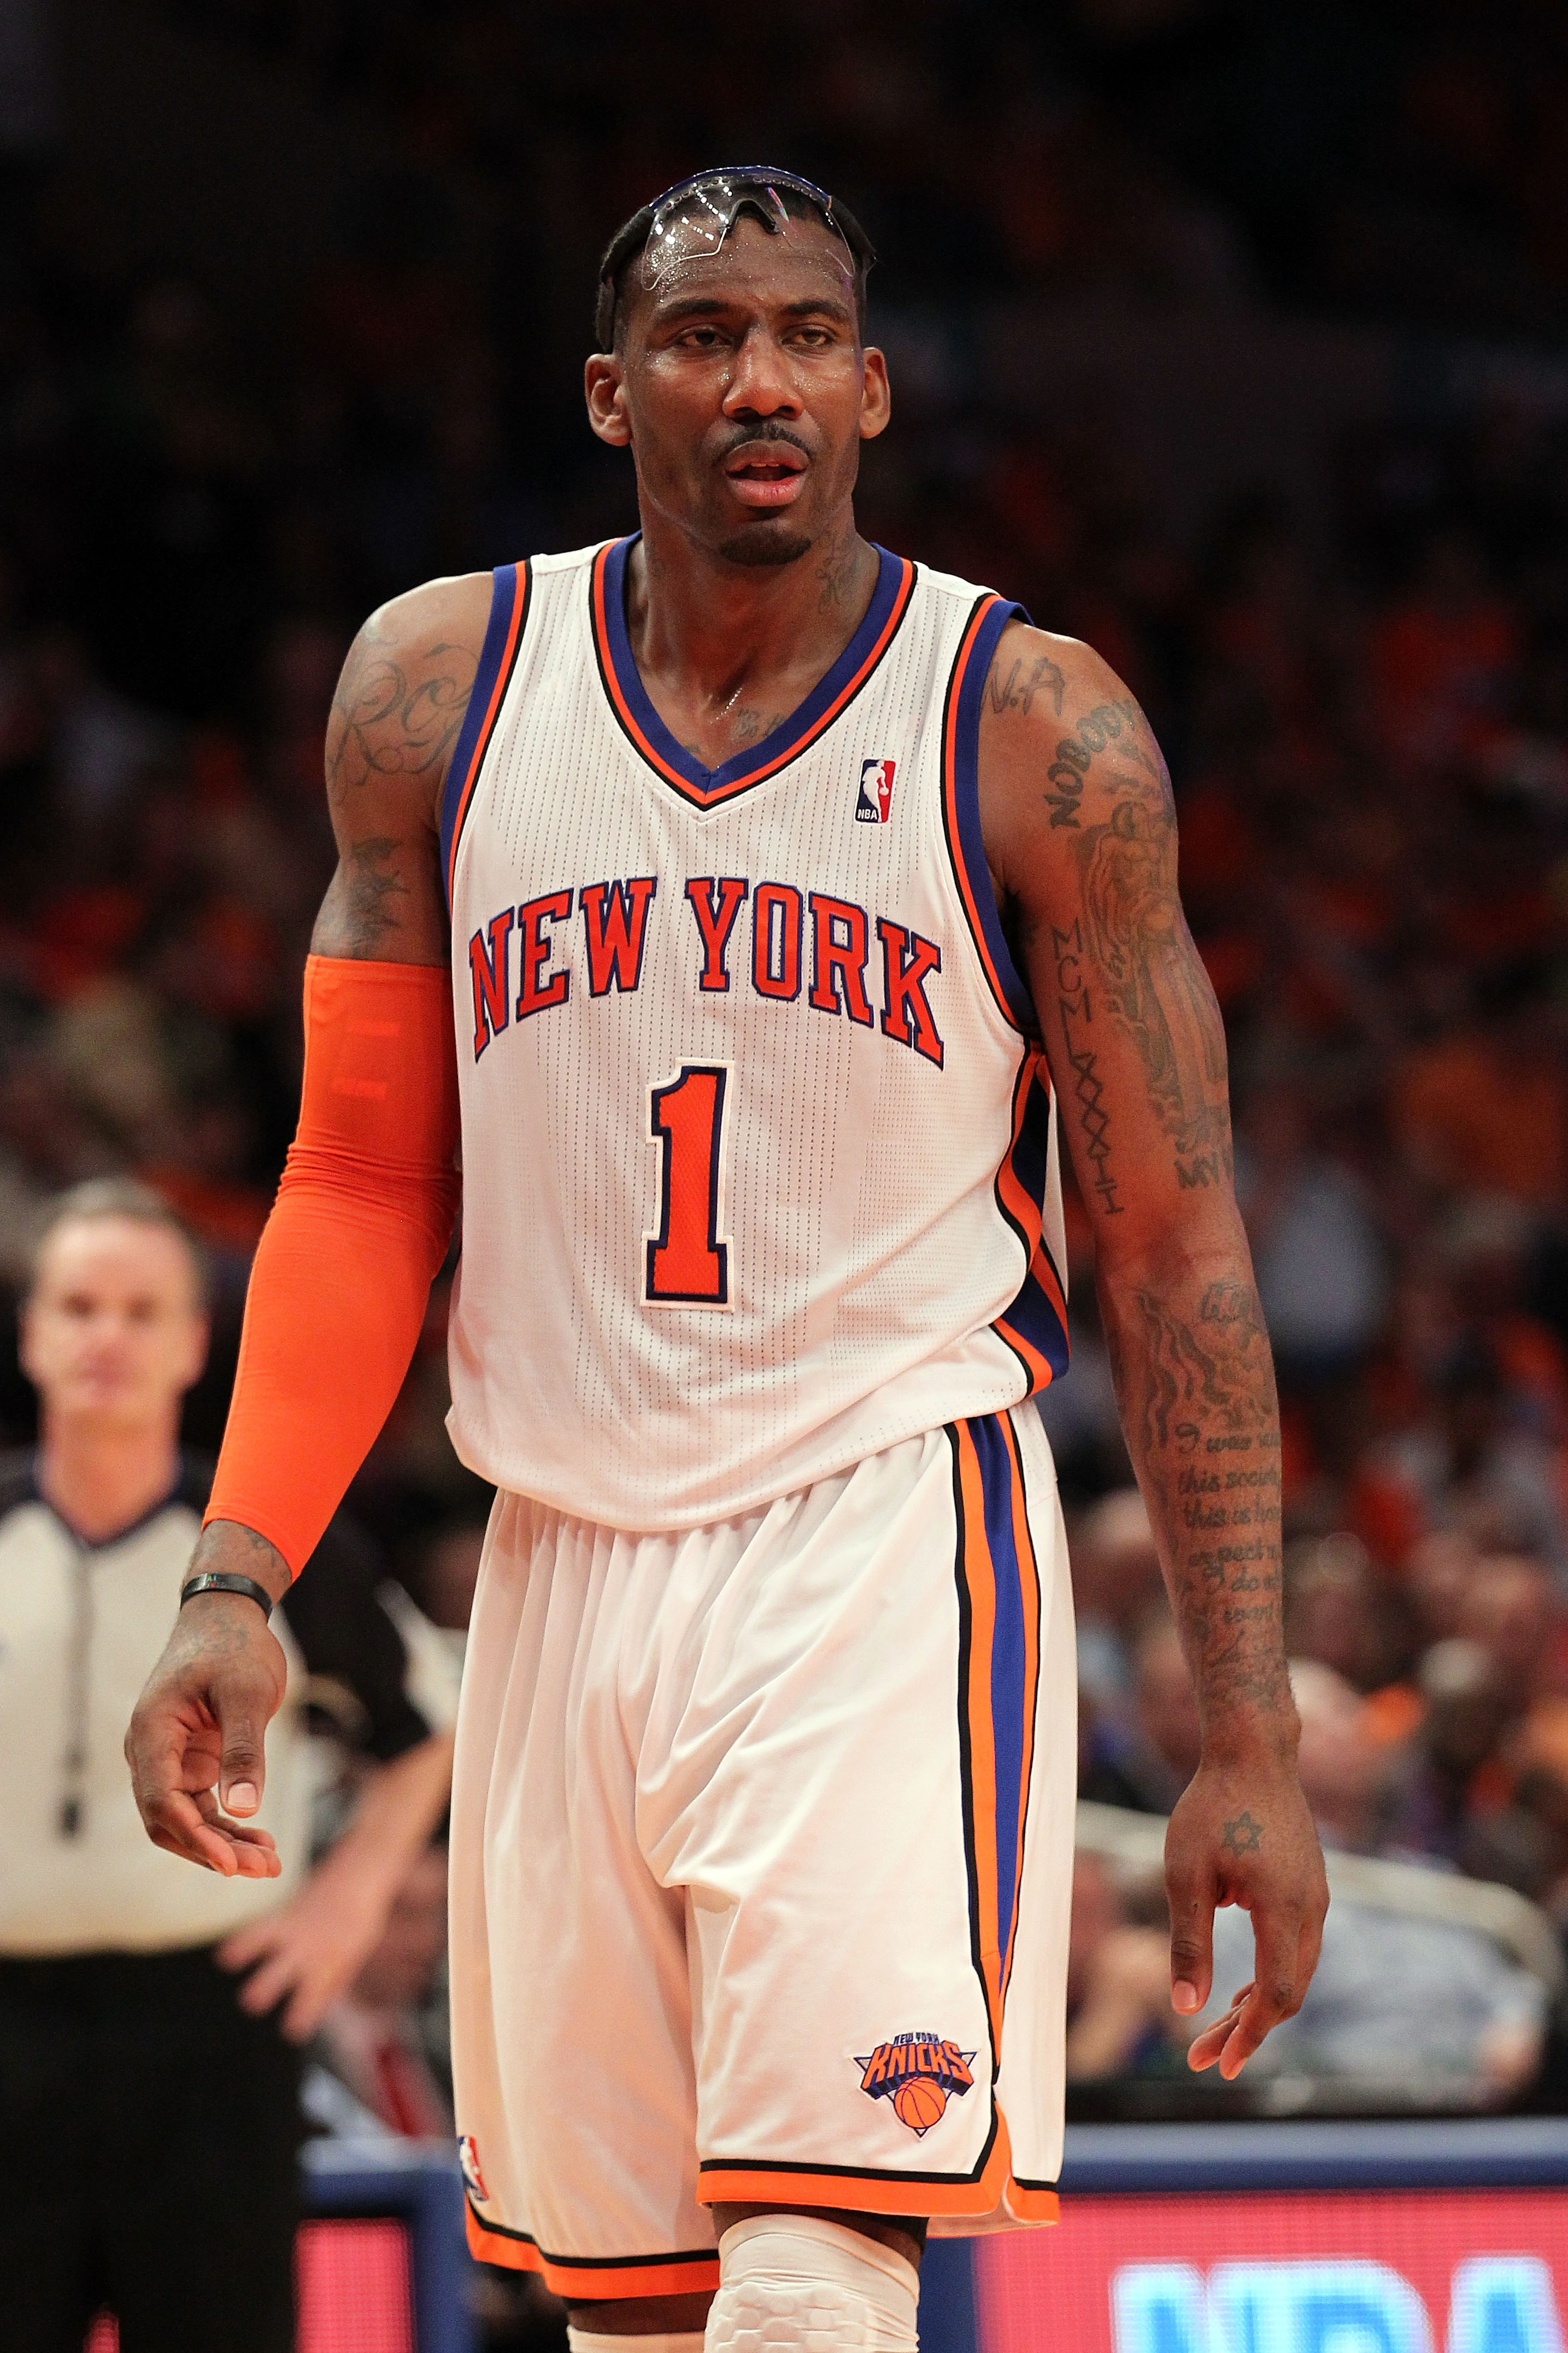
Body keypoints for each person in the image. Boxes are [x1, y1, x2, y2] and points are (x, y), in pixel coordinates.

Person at [127, 167, 1326, 2353]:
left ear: (872, 387)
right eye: (701, 338)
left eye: (801, 334)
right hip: (559, 1549)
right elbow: (362, 1180)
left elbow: (1168, 1239)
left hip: (875, 1523)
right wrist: (238, 1571)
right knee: (638, 2312)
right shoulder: (437, 686)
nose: (755, 378)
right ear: (613, 392)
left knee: (808, 2271)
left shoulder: (1031, 728)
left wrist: (1244, 1724)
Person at [0, 1180, 456, 2353]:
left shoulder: (263, 1554)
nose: (109, 1335)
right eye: (82, 1304)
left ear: (196, 1341)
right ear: (34, 1329)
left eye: (142, 1310)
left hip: (214, 2022)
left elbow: (434, 1725)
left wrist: (347, 1906)